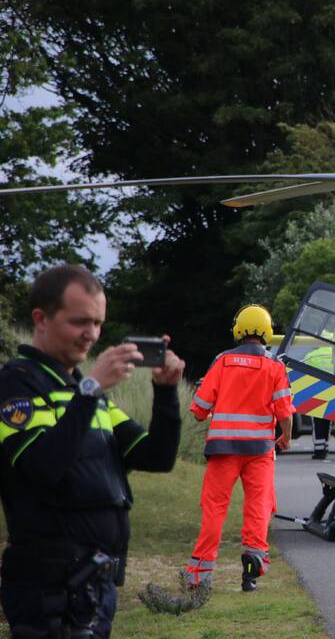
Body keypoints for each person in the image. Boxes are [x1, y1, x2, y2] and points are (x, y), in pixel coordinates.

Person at [0, 264, 185, 638]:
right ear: (41, 318)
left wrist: (166, 394)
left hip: (93, 587)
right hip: (48, 589)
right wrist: (89, 390)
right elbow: (41, 468)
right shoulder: (16, 384)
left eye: (98, 323)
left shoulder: (88, 396)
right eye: (79, 322)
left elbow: (156, 457)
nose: (91, 335)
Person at [184, 305, 295, 592]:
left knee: (214, 510)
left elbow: (199, 408)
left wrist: (206, 411)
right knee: (258, 508)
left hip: (223, 450)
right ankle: (251, 571)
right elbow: (285, 411)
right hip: (259, 451)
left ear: (238, 330)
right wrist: (286, 436)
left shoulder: (222, 362)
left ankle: (199, 575)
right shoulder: (275, 366)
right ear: (267, 332)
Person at [302, 345, 334, 460]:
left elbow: (303, 374)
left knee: (318, 423)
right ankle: (325, 447)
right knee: (329, 421)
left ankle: (319, 450)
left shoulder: (311, 355)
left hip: (317, 393)